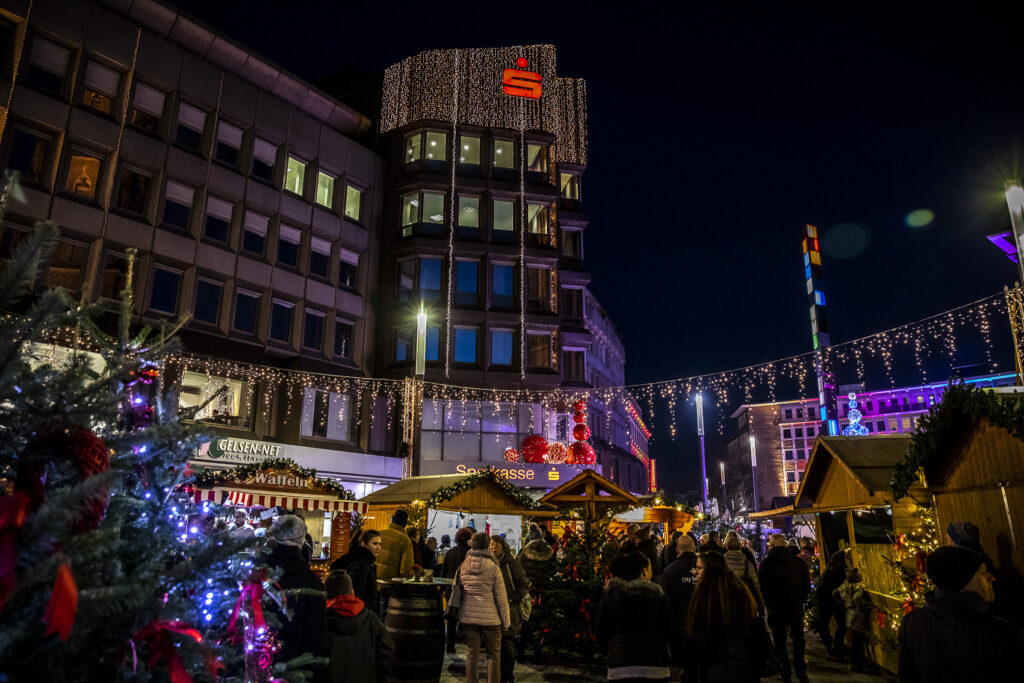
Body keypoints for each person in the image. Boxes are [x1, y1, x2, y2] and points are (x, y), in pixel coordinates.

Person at [899, 545, 1024, 682]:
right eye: (982, 573)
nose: (991, 577)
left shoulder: (911, 623)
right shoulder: (1001, 634)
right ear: (963, 581)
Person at [597, 552, 683, 682]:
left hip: (621, 664)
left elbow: (601, 629)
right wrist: (677, 661)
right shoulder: (656, 596)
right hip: (655, 663)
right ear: (643, 571)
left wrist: (610, 652)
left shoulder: (611, 596)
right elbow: (672, 630)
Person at [685, 550, 759, 682]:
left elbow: (701, 634)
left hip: (718, 665)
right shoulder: (740, 589)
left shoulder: (706, 596)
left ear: (710, 569)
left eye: (699, 568)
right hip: (744, 663)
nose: (695, 572)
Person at [265, 515, 327, 668]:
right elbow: (315, 633)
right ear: (302, 539)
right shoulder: (310, 581)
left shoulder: (257, 571)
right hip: (296, 664)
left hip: (259, 659)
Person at [325, 569, 394, 683]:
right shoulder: (370, 619)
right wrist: (378, 676)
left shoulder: (321, 620)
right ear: (352, 591)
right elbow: (387, 649)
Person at [758, 533, 810, 683]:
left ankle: (785, 669)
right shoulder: (797, 562)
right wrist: (801, 599)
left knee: (779, 640)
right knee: (798, 638)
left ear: (772, 546)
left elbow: (762, 586)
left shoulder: (767, 564)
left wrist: (767, 602)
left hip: (776, 607)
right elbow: (806, 584)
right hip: (794, 606)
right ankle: (800, 670)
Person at [459, 532, 510, 683]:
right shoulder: (493, 566)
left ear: (472, 544)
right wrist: (506, 622)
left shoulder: (464, 565)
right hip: (491, 619)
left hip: (468, 617)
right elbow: (501, 597)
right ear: (487, 545)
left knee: (471, 653)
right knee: (493, 655)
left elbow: (460, 590)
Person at [489, 535, 529, 683]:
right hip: (492, 608)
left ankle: (507, 676)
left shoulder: (511, 563)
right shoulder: (489, 562)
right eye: (491, 545)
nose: (493, 547)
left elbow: (524, 584)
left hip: (509, 608)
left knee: (507, 642)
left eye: (496, 545)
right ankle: (496, 675)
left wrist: (512, 598)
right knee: (495, 644)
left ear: (503, 546)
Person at [330, 529, 382, 617]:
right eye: (375, 543)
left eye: (380, 544)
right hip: (360, 614)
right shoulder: (361, 564)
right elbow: (357, 592)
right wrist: (369, 613)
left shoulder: (365, 562)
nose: (378, 547)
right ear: (363, 544)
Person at [832, 568, 874, 673]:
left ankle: (854, 662)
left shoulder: (843, 587)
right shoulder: (857, 588)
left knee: (853, 640)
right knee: (857, 641)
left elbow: (834, 593)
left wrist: (841, 602)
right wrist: (865, 606)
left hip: (848, 614)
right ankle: (855, 663)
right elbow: (857, 599)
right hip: (857, 614)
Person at [658, 534, 699, 634]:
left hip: (678, 625)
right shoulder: (703, 568)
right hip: (700, 623)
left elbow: (664, 598)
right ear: (694, 548)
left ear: (677, 549)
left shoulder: (670, 571)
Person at [443, 527, 474, 653]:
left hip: (451, 587)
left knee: (452, 618)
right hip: (466, 588)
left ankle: (450, 646)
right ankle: (469, 646)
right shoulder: (471, 553)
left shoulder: (450, 552)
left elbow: (444, 572)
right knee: (467, 618)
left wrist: (445, 589)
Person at [815, 550, 850, 660]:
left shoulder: (836, 565)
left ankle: (835, 648)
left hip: (829, 598)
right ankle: (831, 649)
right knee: (829, 622)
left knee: (838, 623)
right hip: (827, 598)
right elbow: (832, 587)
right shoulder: (835, 569)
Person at [724, 532, 764, 611]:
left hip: (725, 598)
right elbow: (755, 582)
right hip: (743, 597)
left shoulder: (721, 562)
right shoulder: (746, 561)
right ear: (740, 547)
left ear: (727, 547)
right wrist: (760, 604)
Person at [377, 510, 414, 583]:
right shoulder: (405, 540)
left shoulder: (379, 534)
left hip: (374, 582)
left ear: (393, 520)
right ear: (405, 523)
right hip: (391, 585)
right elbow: (405, 572)